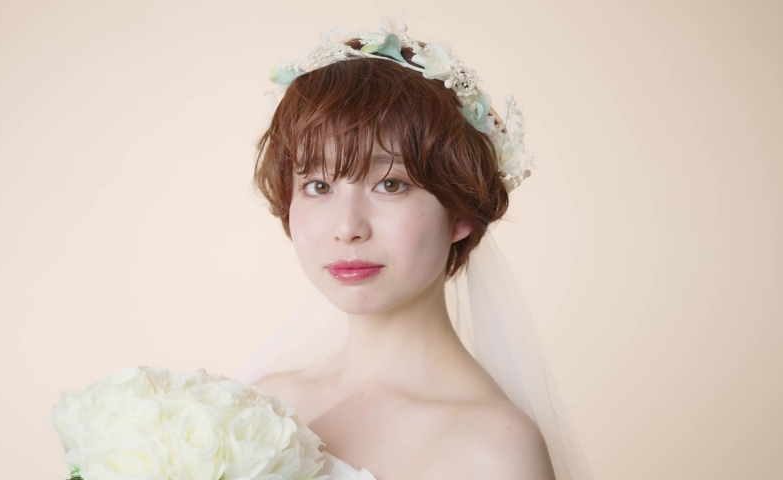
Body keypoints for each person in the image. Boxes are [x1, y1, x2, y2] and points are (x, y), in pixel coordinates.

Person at [234, 15, 592, 480]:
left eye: (390, 184)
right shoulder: (259, 404)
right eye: (318, 185)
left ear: (460, 211)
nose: (347, 228)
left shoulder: (493, 448)